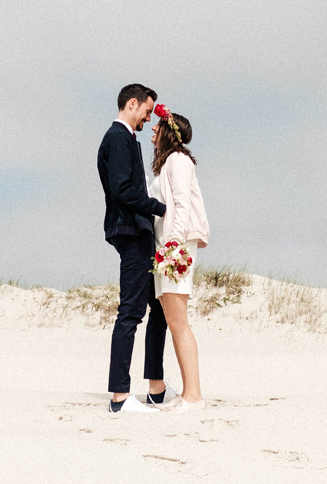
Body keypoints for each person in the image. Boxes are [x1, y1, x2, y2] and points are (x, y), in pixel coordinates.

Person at [97, 83, 169, 413]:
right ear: (131, 104)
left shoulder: (125, 139)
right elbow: (123, 189)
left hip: (137, 230)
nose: (147, 118)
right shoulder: (117, 137)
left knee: (157, 306)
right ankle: (120, 397)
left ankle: (156, 387)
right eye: (147, 111)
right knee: (130, 312)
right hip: (130, 230)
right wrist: (160, 207)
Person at [149, 106, 209, 411]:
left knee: (179, 321)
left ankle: (194, 395)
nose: (152, 131)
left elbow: (183, 205)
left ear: (168, 132)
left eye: (157, 127)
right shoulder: (166, 163)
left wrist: (172, 246)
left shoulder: (179, 160)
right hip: (166, 246)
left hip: (176, 247)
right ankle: (188, 394)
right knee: (174, 321)